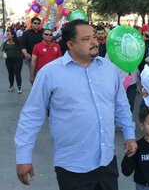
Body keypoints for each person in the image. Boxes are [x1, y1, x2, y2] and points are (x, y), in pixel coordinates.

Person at [15, 19, 137, 189]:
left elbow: (121, 105)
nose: (94, 42)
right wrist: (23, 156)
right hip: (72, 167)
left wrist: (129, 135)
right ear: (71, 45)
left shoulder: (109, 69)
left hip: (107, 161)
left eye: (94, 37)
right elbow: (31, 116)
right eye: (86, 39)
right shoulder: (50, 74)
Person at [2, 29, 23, 93]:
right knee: (10, 73)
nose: (7, 35)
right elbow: (3, 50)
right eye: (7, 34)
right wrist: (4, 55)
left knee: (17, 74)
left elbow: (22, 49)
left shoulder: (18, 42)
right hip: (8, 61)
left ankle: (19, 88)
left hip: (17, 61)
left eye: (8, 34)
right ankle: (11, 86)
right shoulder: (5, 42)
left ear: (13, 35)